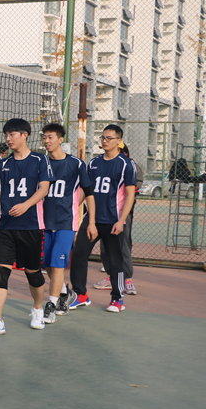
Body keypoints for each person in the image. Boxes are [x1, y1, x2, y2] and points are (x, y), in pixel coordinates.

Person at [0, 118, 54, 336]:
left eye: (12, 134)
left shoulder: (40, 160)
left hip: (31, 226)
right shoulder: (3, 164)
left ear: (25, 135)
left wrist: (26, 205)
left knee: (33, 274)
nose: (8, 138)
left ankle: (37, 309)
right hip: (6, 227)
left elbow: (44, 188)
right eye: (6, 134)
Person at [69, 124, 136, 313]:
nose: (105, 141)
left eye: (109, 138)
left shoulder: (126, 164)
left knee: (115, 261)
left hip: (113, 221)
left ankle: (117, 299)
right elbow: (86, 190)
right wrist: (73, 207)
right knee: (79, 255)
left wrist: (121, 221)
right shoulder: (94, 163)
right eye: (103, 138)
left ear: (119, 141)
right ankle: (80, 295)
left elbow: (130, 195)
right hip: (92, 220)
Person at [40, 123, 94, 323]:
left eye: (51, 137)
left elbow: (89, 192)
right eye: (44, 137)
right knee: (47, 265)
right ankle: (65, 293)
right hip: (45, 222)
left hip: (66, 222)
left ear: (61, 140)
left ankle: (51, 306)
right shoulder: (42, 163)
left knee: (57, 264)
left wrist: (91, 221)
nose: (46, 140)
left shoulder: (76, 164)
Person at [94, 143, 138, 295]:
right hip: (104, 214)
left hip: (122, 215)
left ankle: (128, 280)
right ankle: (110, 277)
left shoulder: (129, 166)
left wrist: (124, 216)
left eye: (121, 151)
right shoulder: (101, 164)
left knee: (123, 246)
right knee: (105, 248)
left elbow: (132, 192)